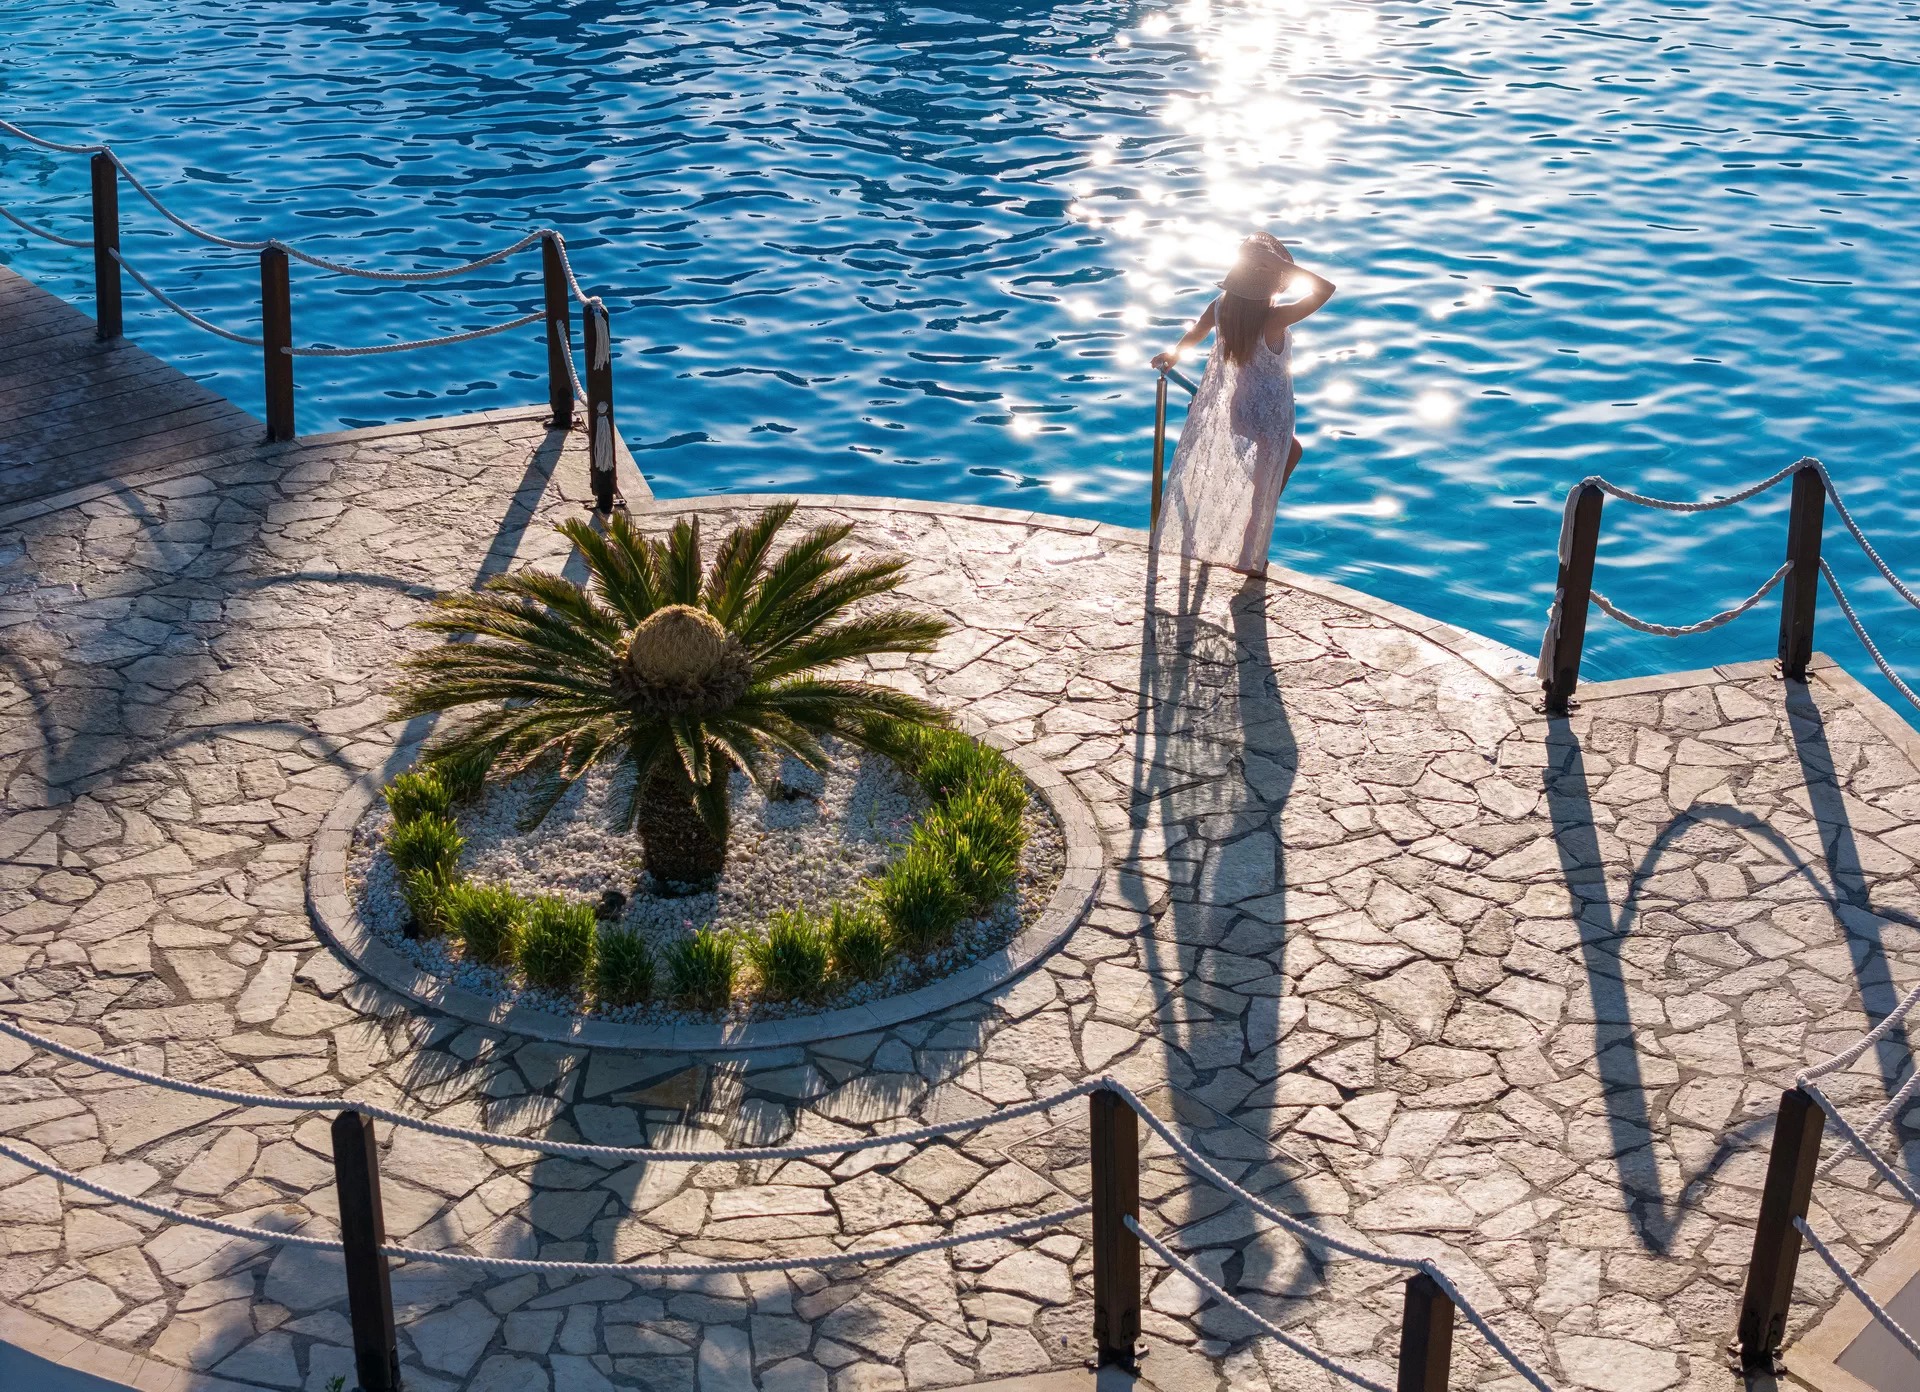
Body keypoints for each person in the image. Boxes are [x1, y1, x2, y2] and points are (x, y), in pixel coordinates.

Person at [1149, 232, 1336, 575]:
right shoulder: (1274, 319)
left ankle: (1248, 536)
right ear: (1271, 284)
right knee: (1265, 488)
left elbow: (1198, 331)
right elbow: (1326, 290)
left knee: (1289, 457)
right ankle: (1251, 559)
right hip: (1270, 415)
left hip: (1240, 410)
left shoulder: (1221, 308)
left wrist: (1174, 354)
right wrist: (1283, 266)